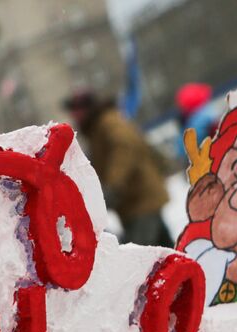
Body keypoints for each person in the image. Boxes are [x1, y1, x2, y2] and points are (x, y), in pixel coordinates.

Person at [62, 89, 173, 247]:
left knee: (140, 257)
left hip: (139, 199)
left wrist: (113, 186)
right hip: (134, 201)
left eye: (75, 110)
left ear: (86, 109)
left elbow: (124, 147)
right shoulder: (97, 127)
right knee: (165, 251)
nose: (73, 116)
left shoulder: (107, 122)